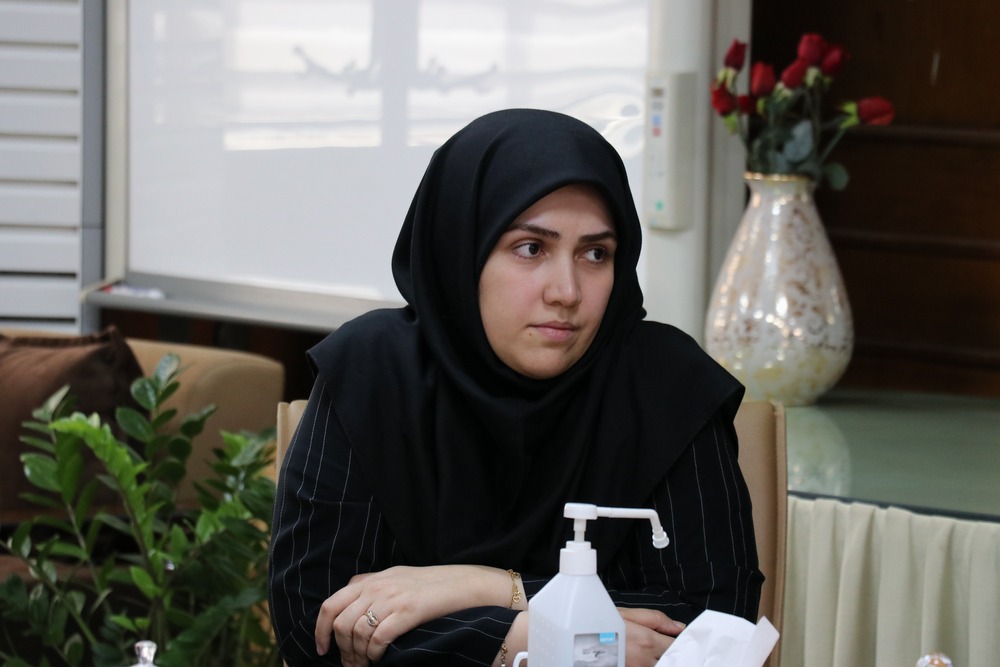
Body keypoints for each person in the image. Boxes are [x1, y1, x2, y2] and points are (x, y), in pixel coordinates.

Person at [268, 108, 762, 667]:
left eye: (595, 254)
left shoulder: (665, 382)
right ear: (462, 248)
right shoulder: (374, 371)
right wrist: (523, 638)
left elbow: (713, 631)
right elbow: (316, 625)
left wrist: (482, 588)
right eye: (531, 248)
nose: (567, 291)